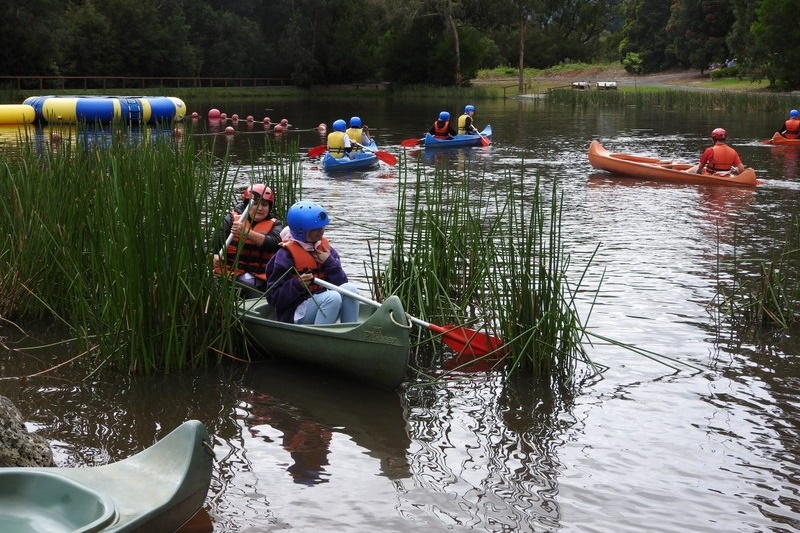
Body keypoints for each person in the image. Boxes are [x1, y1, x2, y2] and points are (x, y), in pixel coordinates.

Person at [265, 200, 359, 325]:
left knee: (350, 289)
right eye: (316, 229)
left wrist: (330, 263)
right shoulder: (284, 256)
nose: (321, 231)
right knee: (332, 297)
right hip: (295, 312)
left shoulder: (326, 250)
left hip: (324, 304)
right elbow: (273, 298)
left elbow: (341, 284)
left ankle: (349, 331)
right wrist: (297, 284)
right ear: (301, 231)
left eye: (322, 227)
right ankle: (319, 338)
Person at [213, 184, 283, 298]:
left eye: (264, 205)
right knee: (249, 290)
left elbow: (273, 244)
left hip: (261, 278)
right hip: (232, 277)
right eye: (255, 204)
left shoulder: (276, 225)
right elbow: (215, 245)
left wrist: (247, 233)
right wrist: (215, 255)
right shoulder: (230, 220)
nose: (260, 208)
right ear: (247, 204)